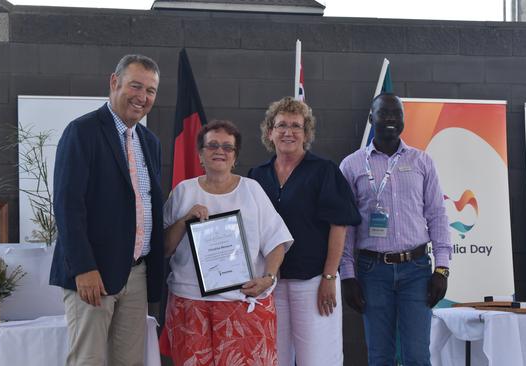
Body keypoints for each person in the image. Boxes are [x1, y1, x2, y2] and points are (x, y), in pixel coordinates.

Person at [49, 54, 164, 366]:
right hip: (93, 275)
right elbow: (67, 206)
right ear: (114, 82)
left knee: (129, 362)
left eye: (150, 91)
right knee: (89, 360)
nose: (142, 97)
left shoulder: (149, 142)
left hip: (137, 275)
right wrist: (83, 268)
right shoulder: (82, 132)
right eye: (136, 86)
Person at [163, 120, 293, 366]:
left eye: (227, 147)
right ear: (200, 153)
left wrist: (268, 277)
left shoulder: (252, 190)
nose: (219, 151)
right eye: (212, 145)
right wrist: (184, 220)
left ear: (235, 156)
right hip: (190, 304)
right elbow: (165, 248)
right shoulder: (183, 191)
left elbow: (277, 241)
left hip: (243, 301)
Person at [339, 93, 452, 366]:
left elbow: (437, 215)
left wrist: (442, 268)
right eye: (383, 113)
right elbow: (345, 227)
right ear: (371, 118)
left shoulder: (422, 162)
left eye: (396, 114)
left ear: (403, 120)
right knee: (380, 356)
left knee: (417, 356)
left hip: (416, 271)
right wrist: (348, 275)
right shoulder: (351, 165)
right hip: (371, 272)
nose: (390, 118)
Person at [248, 96, 360, 366]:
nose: (288, 132)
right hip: (270, 283)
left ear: (306, 133)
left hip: (312, 283)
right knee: (274, 358)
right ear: (269, 132)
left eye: (296, 126)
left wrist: (329, 277)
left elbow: (339, 226)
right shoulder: (257, 175)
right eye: (281, 125)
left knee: (319, 359)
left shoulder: (324, 171)